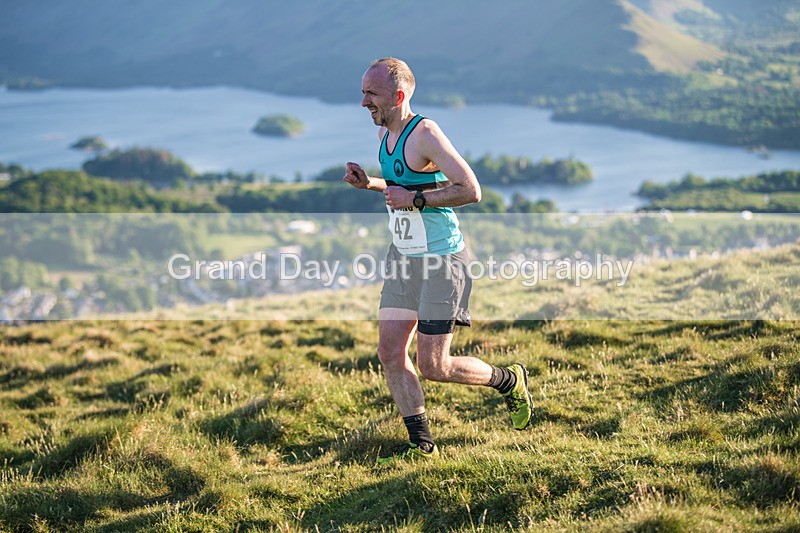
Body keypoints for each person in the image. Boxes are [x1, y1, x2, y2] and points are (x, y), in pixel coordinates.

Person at [343, 58, 534, 463]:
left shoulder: (425, 133)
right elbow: (400, 187)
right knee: (390, 353)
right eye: (362, 92)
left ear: (398, 96)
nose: (362, 102)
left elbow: (470, 189)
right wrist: (372, 184)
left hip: (443, 260)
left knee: (434, 364)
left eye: (370, 94)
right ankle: (422, 446)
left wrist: (416, 200)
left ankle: (508, 380)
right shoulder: (384, 130)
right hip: (404, 257)